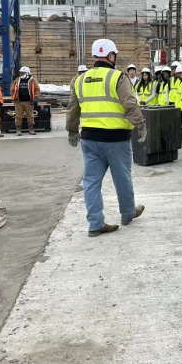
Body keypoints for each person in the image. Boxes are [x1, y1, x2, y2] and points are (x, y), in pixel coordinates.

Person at [67, 39, 147, 237]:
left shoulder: (80, 79)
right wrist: (141, 124)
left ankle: (95, 224)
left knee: (91, 181)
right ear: (111, 56)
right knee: (122, 178)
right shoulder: (117, 77)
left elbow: (72, 108)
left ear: (95, 57)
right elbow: (129, 103)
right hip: (116, 139)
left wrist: (72, 130)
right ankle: (128, 213)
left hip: (89, 139)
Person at [10, 66, 41, 136]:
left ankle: (31, 129)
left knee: (30, 116)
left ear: (27, 73)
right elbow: (12, 89)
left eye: (22, 73)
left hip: (28, 102)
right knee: (18, 116)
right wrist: (13, 98)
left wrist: (36, 98)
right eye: (20, 73)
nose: (21, 74)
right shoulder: (17, 80)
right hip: (19, 102)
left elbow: (37, 89)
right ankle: (18, 130)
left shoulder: (32, 80)